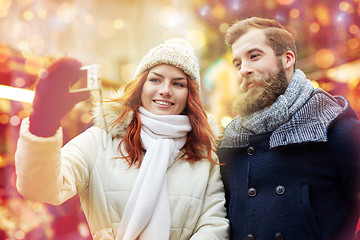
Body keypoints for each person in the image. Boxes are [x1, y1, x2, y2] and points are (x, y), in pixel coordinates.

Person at [14, 38, 229, 239]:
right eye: (155, 79)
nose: (165, 90)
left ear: (190, 95)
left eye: (178, 84)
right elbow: (39, 188)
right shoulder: (100, 140)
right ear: (140, 86)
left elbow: (213, 225)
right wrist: (43, 124)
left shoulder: (203, 155)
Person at [217, 17, 360, 240]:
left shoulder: (337, 129)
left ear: (287, 59)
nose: (244, 70)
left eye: (254, 56)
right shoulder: (231, 140)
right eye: (238, 63)